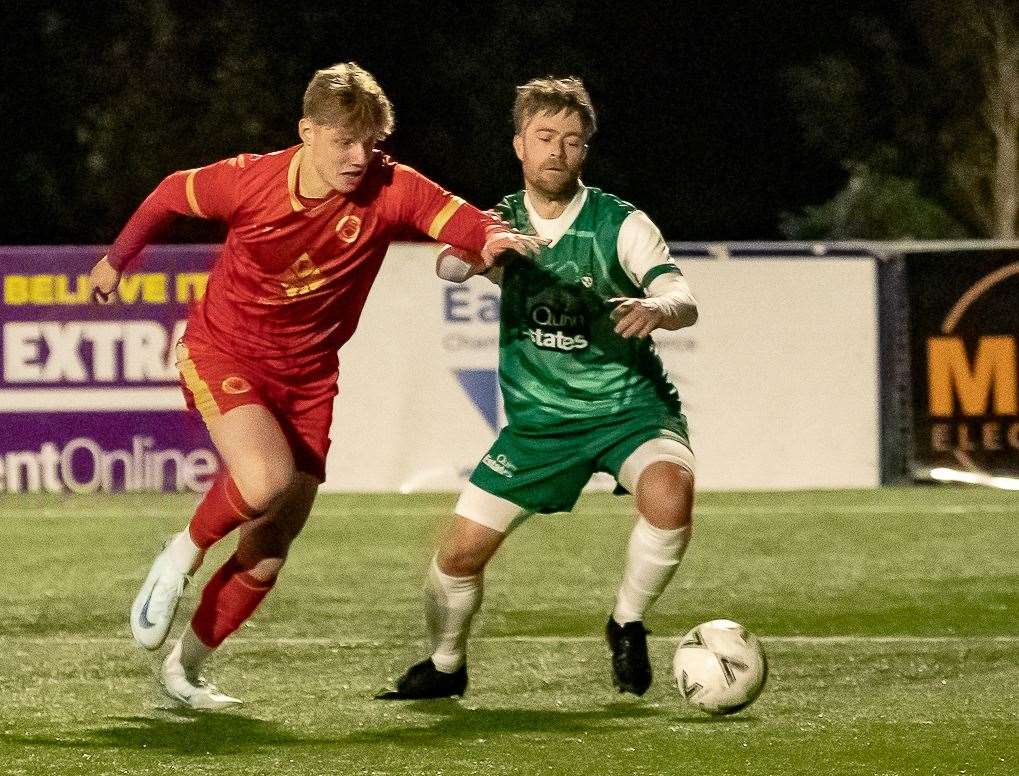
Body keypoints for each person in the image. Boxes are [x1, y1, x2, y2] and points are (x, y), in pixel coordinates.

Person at [89, 62, 544, 710]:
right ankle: (182, 551)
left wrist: (500, 240)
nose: (358, 157)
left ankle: (183, 671)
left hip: (308, 379)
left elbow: (464, 223)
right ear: (307, 132)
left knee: (270, 549)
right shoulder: (252, 181)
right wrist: (116, 259)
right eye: (342, 141)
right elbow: (168, 193)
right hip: (223, 350)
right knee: (265, 478)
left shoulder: (391, 187)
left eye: (370, 143)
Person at [377, 76, 699, 701]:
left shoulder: (620, 223)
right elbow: (447, 264)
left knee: (670, 494)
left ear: (585, 152)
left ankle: (626, 622)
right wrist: (481, 249)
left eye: (572, 142)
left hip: (627, 407)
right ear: (519, 145)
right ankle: (446, 667)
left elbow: (682, 296)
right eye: (544, 138)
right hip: (539, 426)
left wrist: (658, 310)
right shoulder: (498, 220)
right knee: (456, 559)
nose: (557, 152)